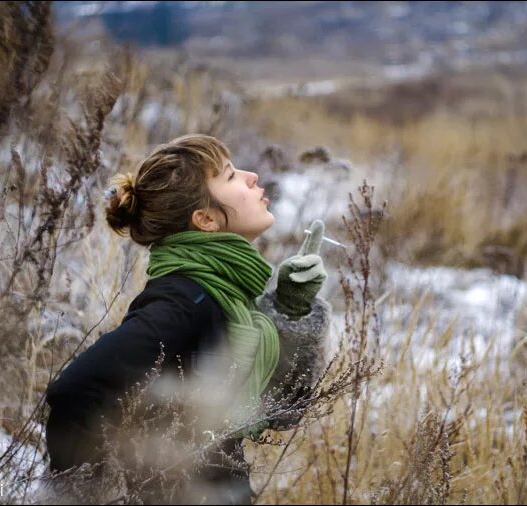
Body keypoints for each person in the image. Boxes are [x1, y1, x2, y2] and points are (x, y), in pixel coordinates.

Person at [43, 134, 331, 504]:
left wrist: (291, 310)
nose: (252, 176)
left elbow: (279, 411)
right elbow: (75, 390)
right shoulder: (185, 300)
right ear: (206, 219)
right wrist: (89, 492)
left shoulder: (223, 296)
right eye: (229, 176)